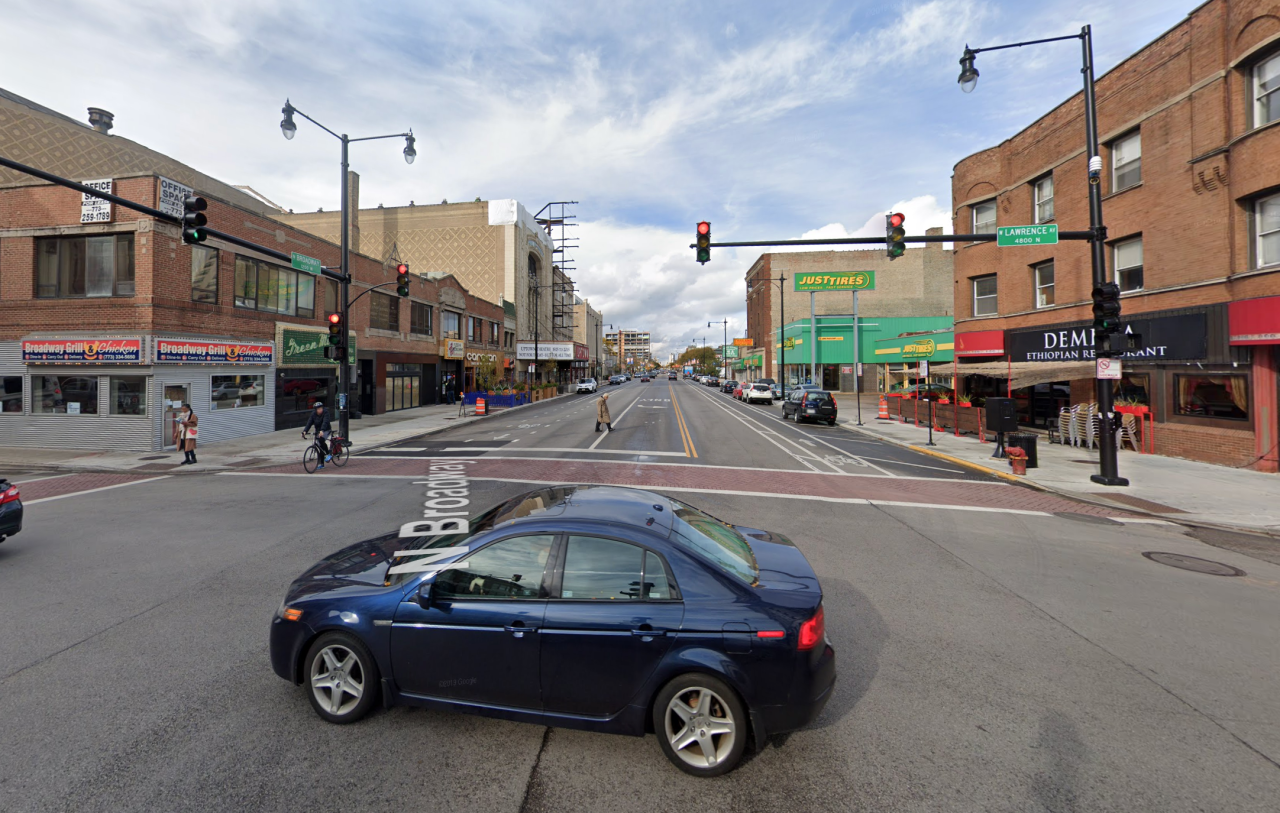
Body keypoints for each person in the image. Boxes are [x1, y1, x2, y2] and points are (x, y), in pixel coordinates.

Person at [301, 401, 333, 468]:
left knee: (321, 441)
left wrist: (322, 430)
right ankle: (321, 464)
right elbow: (309, 423)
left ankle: (328, 454)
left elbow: (325, 421)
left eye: (321, 408)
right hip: (318, 431)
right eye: (318, 409)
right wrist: (305, 431)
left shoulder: (325, 412)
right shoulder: (313, 414)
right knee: (319, 447)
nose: (320, 410)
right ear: (315, 410)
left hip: (326, 429)